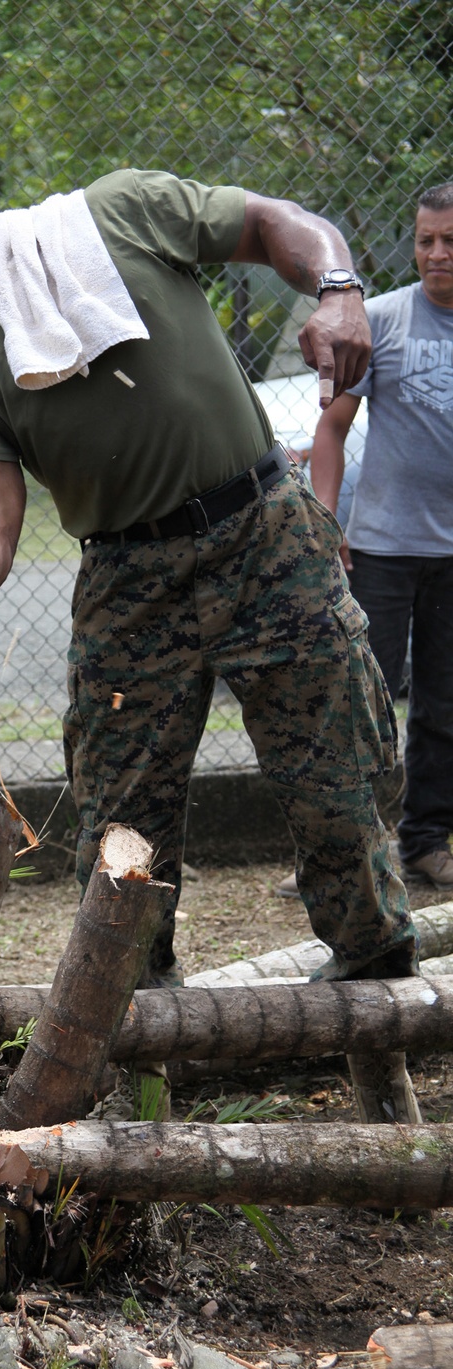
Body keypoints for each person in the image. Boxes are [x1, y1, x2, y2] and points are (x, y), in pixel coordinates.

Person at [0, 155, 419, 995]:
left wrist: (338, 290)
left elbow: (269, 220)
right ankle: (134, 1042)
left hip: (265, 533)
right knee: (122, 836)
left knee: (336, 784)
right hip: (128, 582)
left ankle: (379, 999)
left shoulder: (115, 217)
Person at [309, 183, 453, 891]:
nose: (436, 254)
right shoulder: (385, 320)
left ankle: (427, 844)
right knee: (358, 702)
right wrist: (328, 518)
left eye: (450, 240)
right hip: (383, 550)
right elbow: (331, 429)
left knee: (444, 704)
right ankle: (345, 855)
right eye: (425, 239)